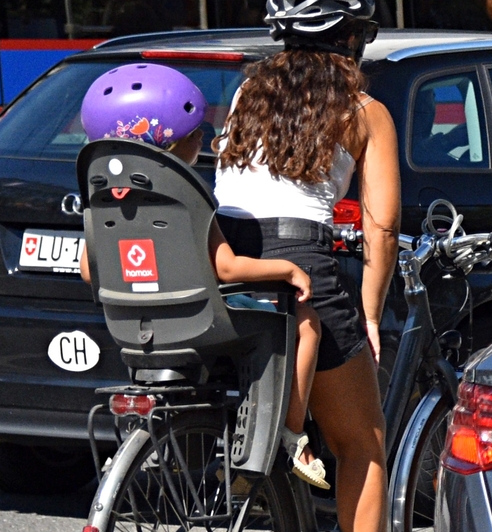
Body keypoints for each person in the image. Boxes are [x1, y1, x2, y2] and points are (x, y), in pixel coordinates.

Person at [214, 0, 401, 532]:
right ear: (351, 37)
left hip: (232, 263)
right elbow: (380, 228)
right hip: (305, 267)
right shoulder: (362, 112)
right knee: (365, 442)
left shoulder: (245, 96)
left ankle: (277, 443)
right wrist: (372, 310)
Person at [74, 63, 322, 479]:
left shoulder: (102, 198)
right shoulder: (183, 193)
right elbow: (226, 266)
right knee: (303, 323)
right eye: (194, 134)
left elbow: (88, 271)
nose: (203, 139)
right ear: (170, 145)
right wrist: (288, 268)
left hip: (131, 327)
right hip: (201, 322)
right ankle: (289, 435)